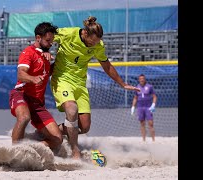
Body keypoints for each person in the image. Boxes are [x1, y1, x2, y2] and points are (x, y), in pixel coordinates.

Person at [48, 16, 140, 159]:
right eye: (92, 41)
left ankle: (49, 132)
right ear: (85, 33)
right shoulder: (68, 34)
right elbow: (46, 35)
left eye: (97, 42)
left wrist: (123, 83)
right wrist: (45, 51)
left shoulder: (98, 45)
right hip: (62, 79)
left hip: (80, 84)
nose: (94, 45)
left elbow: (106, 65)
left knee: (84, 127)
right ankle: (75, 152)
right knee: (71, 110)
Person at [9, 22, 63, 151]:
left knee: (57, 140)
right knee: (24, 117)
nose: (51, 43)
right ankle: (14, 153)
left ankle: (30, 147)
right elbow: (21, 74)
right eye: (48, 40)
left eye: (52, 41)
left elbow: (46, 72)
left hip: (38, 103)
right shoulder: (28, 52)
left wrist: (56, 62)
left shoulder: (46, 56)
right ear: (38, 38)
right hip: (21, 94)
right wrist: (32, 78)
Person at [131, 74, 157, 142]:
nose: (142, 80)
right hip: (140, 107)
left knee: (150, 123)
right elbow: (135, 98)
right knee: (142, 124)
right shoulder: (137, 87)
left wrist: (153, 105)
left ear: (145, 79)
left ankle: (153, 140)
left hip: (148, 107)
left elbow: (154, 96)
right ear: (139, 80)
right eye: (140, 79)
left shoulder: (149, 87)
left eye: (143, 78)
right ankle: (144, 140)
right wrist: (133, 107)